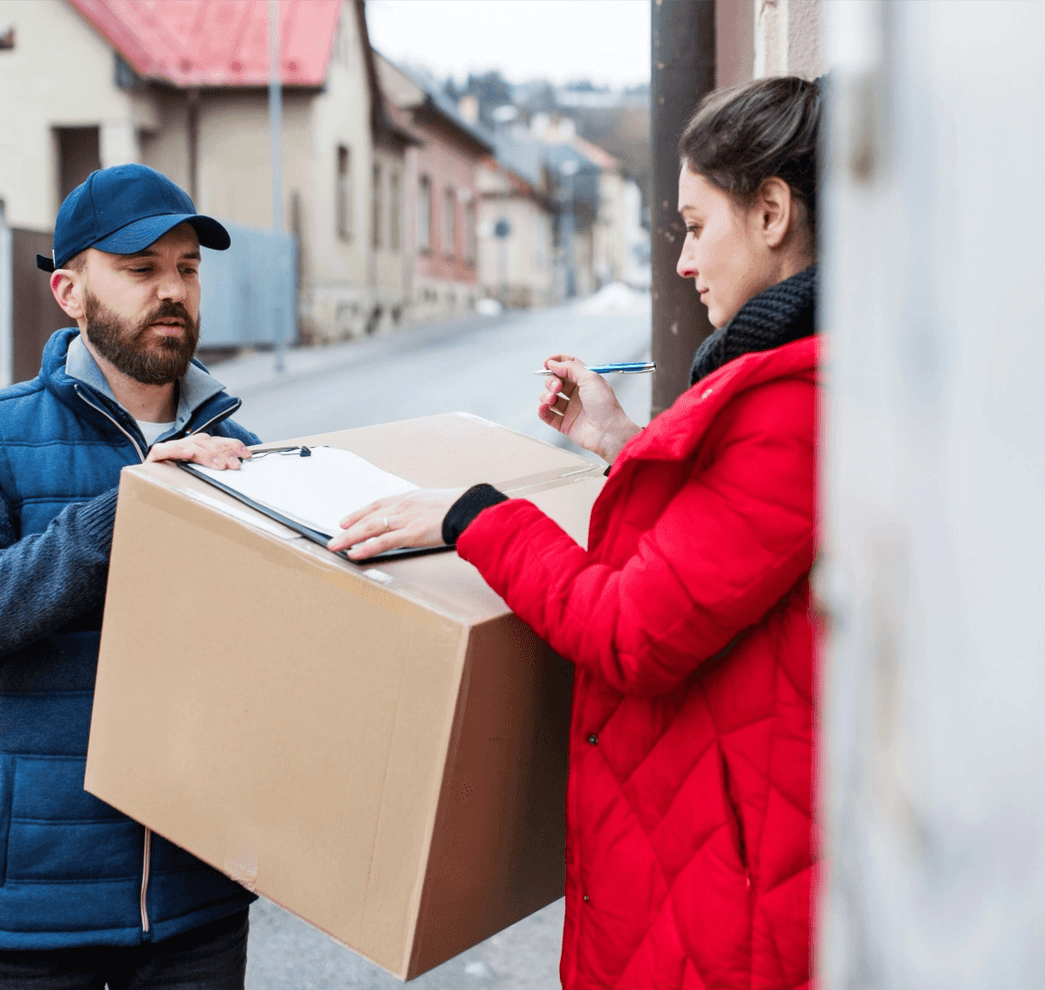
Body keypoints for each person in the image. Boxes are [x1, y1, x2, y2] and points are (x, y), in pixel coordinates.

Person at [328, 76, 822, 990]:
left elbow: (634, 631)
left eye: (695, 225)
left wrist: (472, 516)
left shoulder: (801, 402)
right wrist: (617, 441)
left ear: (772, 213)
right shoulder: (785, 384)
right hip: (711, 851)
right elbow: (728, 547)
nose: (682, 261)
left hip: (728, 905)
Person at [0, 164, 261, 990]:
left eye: (187, 268)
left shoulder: (239, 450)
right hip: (30, 907)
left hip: (195, 901)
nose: (171, 290)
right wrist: (124, 512)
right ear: (70, 291)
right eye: (141, 270)